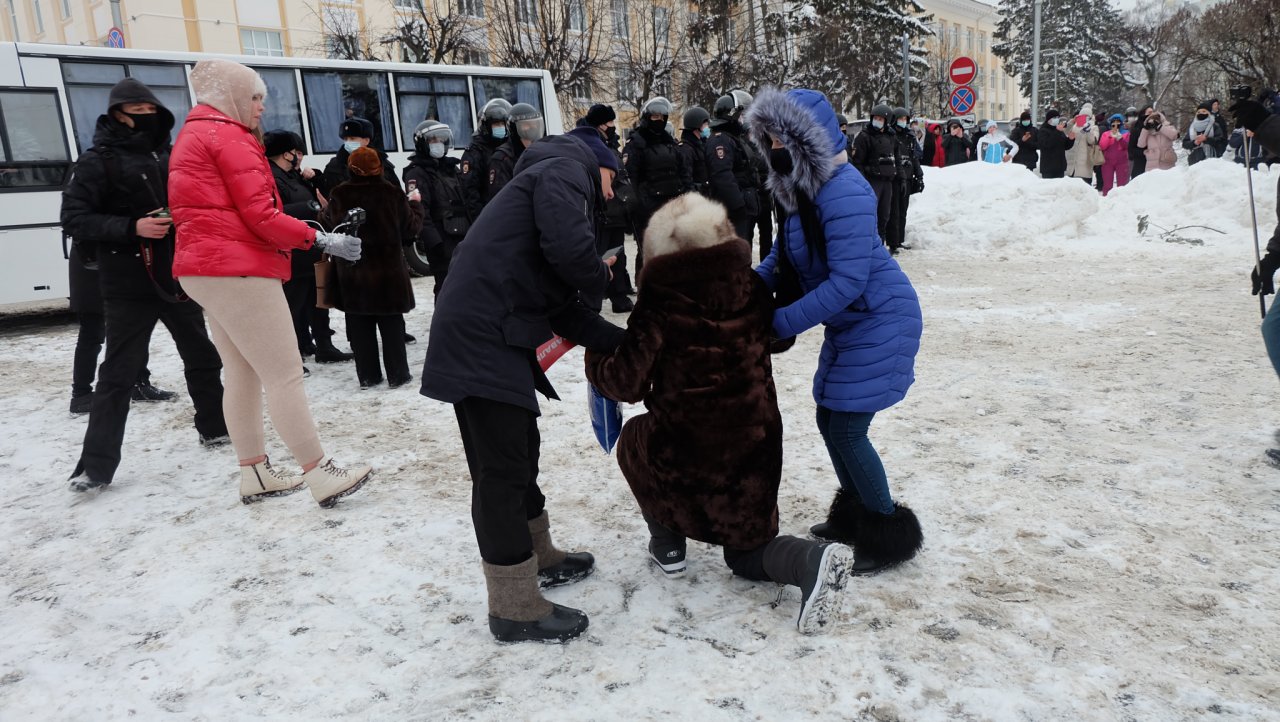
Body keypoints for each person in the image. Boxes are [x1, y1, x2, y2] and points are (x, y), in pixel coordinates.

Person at [584, 192, 856, 635]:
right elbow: (779, 339)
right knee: (747, 555)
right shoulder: (747, 285)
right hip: (757, 448)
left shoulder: (660, 300)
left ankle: (668, 544)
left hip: (686, 451)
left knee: (634, 438)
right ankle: (808, 560)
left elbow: (624, 383)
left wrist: (595, 356)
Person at [421, 130, 626, 644]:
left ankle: (539, 555)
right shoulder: (563, 171)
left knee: (520, 452)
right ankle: (513, 606)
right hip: (481, 335)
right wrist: (601, 276)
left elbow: (561, 306)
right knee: (501, 472)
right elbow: (571, 254)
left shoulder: (544, 182)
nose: (610, 194)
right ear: (596, 165)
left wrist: (628, 339)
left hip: (493, 330)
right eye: (612, 180)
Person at [169, 58, 372, 507]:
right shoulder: (230, 137)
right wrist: (320, 240)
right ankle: (320, 471)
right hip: (237, 267)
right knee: (285, 374)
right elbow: (261, 216)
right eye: (255, 96)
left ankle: (255, 472)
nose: (262, 106)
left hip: (204, 268)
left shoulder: (194, 134)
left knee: (242, 372)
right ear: (232, 96)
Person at [744, 87, 923, 575]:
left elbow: (847, 280)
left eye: (782, 138)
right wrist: (744, 291)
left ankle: (884, 532)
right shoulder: (802, 191)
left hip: (881, 318)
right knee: (830, 419)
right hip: (854, 322)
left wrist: (777, 322)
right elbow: (784, 256)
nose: (775, 148)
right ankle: (854, 517)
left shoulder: (844, 189)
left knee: (847, 427)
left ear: (808, 141)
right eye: (768, 140)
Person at [62, 77, 229, 493]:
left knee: (204, 357)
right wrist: (131, 226)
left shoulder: (171, 156)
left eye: (151, 111)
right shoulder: (96, 161)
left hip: (177, 274)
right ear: (117, 114)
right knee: (118, 374)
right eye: (137, 113)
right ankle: (94, 467)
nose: (147, 119)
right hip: (126, 283)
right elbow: (74, 219)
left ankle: (216, 429)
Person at [322, 147, 424, 389]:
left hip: (353, 272)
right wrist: (417, 206)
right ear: (378, 167)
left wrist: (323, 209)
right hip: (388, 274)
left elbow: (329, 225)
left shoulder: (340, 194)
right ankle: (398, 375)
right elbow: (411, 230)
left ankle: (368, 376)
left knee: (359, 327)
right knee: (392, 327)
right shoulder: (392, 193)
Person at [263, 129, 354, 367]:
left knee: (318, 301)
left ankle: (323, 345)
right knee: (293, 307)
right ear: (286, 153)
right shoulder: (270, 177)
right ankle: (291, 355)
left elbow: (319, 195)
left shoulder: (293, 175)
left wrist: (315, 180)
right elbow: (274, 213)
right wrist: (310, 206)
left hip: (309, 248)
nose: (300, 156)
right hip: (292, 253)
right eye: (297, 152)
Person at [67, 242, 175, 414]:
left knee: (132, 331)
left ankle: (139, 384)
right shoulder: (90, 219)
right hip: (91, 271)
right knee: (92, 335)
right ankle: (81, 395)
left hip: (115, 273)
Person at [403, 120, 472, 297]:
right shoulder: (416, 173)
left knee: (468, 285)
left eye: (441, 140)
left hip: (463, 234)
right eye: (433, 140)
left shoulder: (451, 168)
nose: (438, 144)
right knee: (446, 288)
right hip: (441, 241)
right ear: (423, 144)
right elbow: (418, 210)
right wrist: (435, 244)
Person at [623, 96, 692, 276]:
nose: (659, 121)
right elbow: (631, 178)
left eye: (662, 118)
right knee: (648, 253)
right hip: (646, 209)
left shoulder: (669, 141)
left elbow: (683, 171)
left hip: (671, 206)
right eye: (655, 117)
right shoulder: (636, 143)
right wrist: (635, 207)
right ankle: (644, 290)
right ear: (647, 118)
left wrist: (687, 197)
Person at [578, 105, 635, 313]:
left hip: (616, 212)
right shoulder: (591, 145)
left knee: (617, 257)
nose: (613, 126)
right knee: (597, 257)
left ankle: (618, 297)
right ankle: (590, 302)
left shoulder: (610, 145)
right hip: (598, 213)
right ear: (600, 124)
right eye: (610, 122)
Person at [705, 90, 760, 244]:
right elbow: (723, 177)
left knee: (742, 251)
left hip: (741, 210)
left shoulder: (733, 138)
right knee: (735, 254)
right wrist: (739, 205)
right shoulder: (720, 140)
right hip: (733, 212)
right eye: (741, 115)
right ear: (731, 115)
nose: (743, 119)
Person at [850, 103, 898, 243]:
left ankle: (880, 242)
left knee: (884, 214)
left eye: (880, 119)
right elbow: (857, 161)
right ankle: (868, 242)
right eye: (875, 118)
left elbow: (897, 158)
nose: (877, 121)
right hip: (872, 180)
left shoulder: (891, 137)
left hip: (887, 181)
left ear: (887, 121)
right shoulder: (864, 136)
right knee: (871, 213)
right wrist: (863, 179)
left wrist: (898, 176)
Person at [459, 98, 512, 218]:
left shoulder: (507, 147)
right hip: (487, 212)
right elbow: (470, 191)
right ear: (486, 126)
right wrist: (480, 219)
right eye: (496, 124)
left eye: (502, 124)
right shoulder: (475, 151)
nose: (500, 127)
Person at [321, 117, 400, 190]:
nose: (348, 142)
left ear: (366, 141)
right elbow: (327, 193)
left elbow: (396, 194)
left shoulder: (382, 164)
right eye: (345, 139)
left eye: (352, 138)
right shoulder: (334, 166)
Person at [486, 102, 543, 201]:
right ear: (514, 128)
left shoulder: (541, 152)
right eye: (526, 125)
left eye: (534, 125)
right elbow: (500, 198)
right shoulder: (503, 158)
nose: (531, 129)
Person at [887, 106, 923, 255]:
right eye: (901, 119)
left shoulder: (909, 136)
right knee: (893, 211)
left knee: (903, 210)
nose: (903, 122)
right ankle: (892, 242)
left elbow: (914, 158)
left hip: (907, 178)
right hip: (894, 177)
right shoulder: (891, 135)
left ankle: (899, 240)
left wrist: (919, 175)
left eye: (905, 119)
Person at [678, 106, 711, 196]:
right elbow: (686, 180)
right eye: (705, 124)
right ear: (696, 125)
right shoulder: (686, 149)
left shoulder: (701, 145)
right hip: (697, 200)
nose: (708, 127)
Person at [1066, 104, 1099, 184]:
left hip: (1085, 165)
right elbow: (1066, 132)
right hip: (1072, 165)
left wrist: (1088, 130)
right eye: (1082, 116)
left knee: (1084, 190)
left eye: (1087, 116)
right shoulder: (1074, 126)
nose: (1084, 118)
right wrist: (1071, 122)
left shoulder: (1094, 127)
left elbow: (1092, 141)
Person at [1098, 114, 1130, 196]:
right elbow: (1102, 146)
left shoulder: (1126, 133)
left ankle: (1122, 200)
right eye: (1113, 123)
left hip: (1122, 161)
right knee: (1107, 184)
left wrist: (1120, 139)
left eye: (1118, 123)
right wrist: (1109, 137)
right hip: (1108, 162)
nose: (1116, 125)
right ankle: (1106, 200)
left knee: (1122, 184)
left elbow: (1126, 147)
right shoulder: (1106, 133)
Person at [1038, 110, 1076, 179]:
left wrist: (1070, 139)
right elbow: (1047, 144)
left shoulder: (1059, 130)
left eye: (1058, 117)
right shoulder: (1043, 130)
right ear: (1049, 119)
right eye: (1054, 117)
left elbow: (1065, 146)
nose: (1057, 119)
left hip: (1060, 167)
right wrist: (1057, 132)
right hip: (1048, 168)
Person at [1127, 106, 1151, 178]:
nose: (1152, 115)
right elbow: (1131, 148)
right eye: (1149, 112)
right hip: (1140, 162)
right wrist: (1144, 152)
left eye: (1153, 112)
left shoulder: (1158, 126)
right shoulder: (1137, 127)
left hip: (1155, 163)